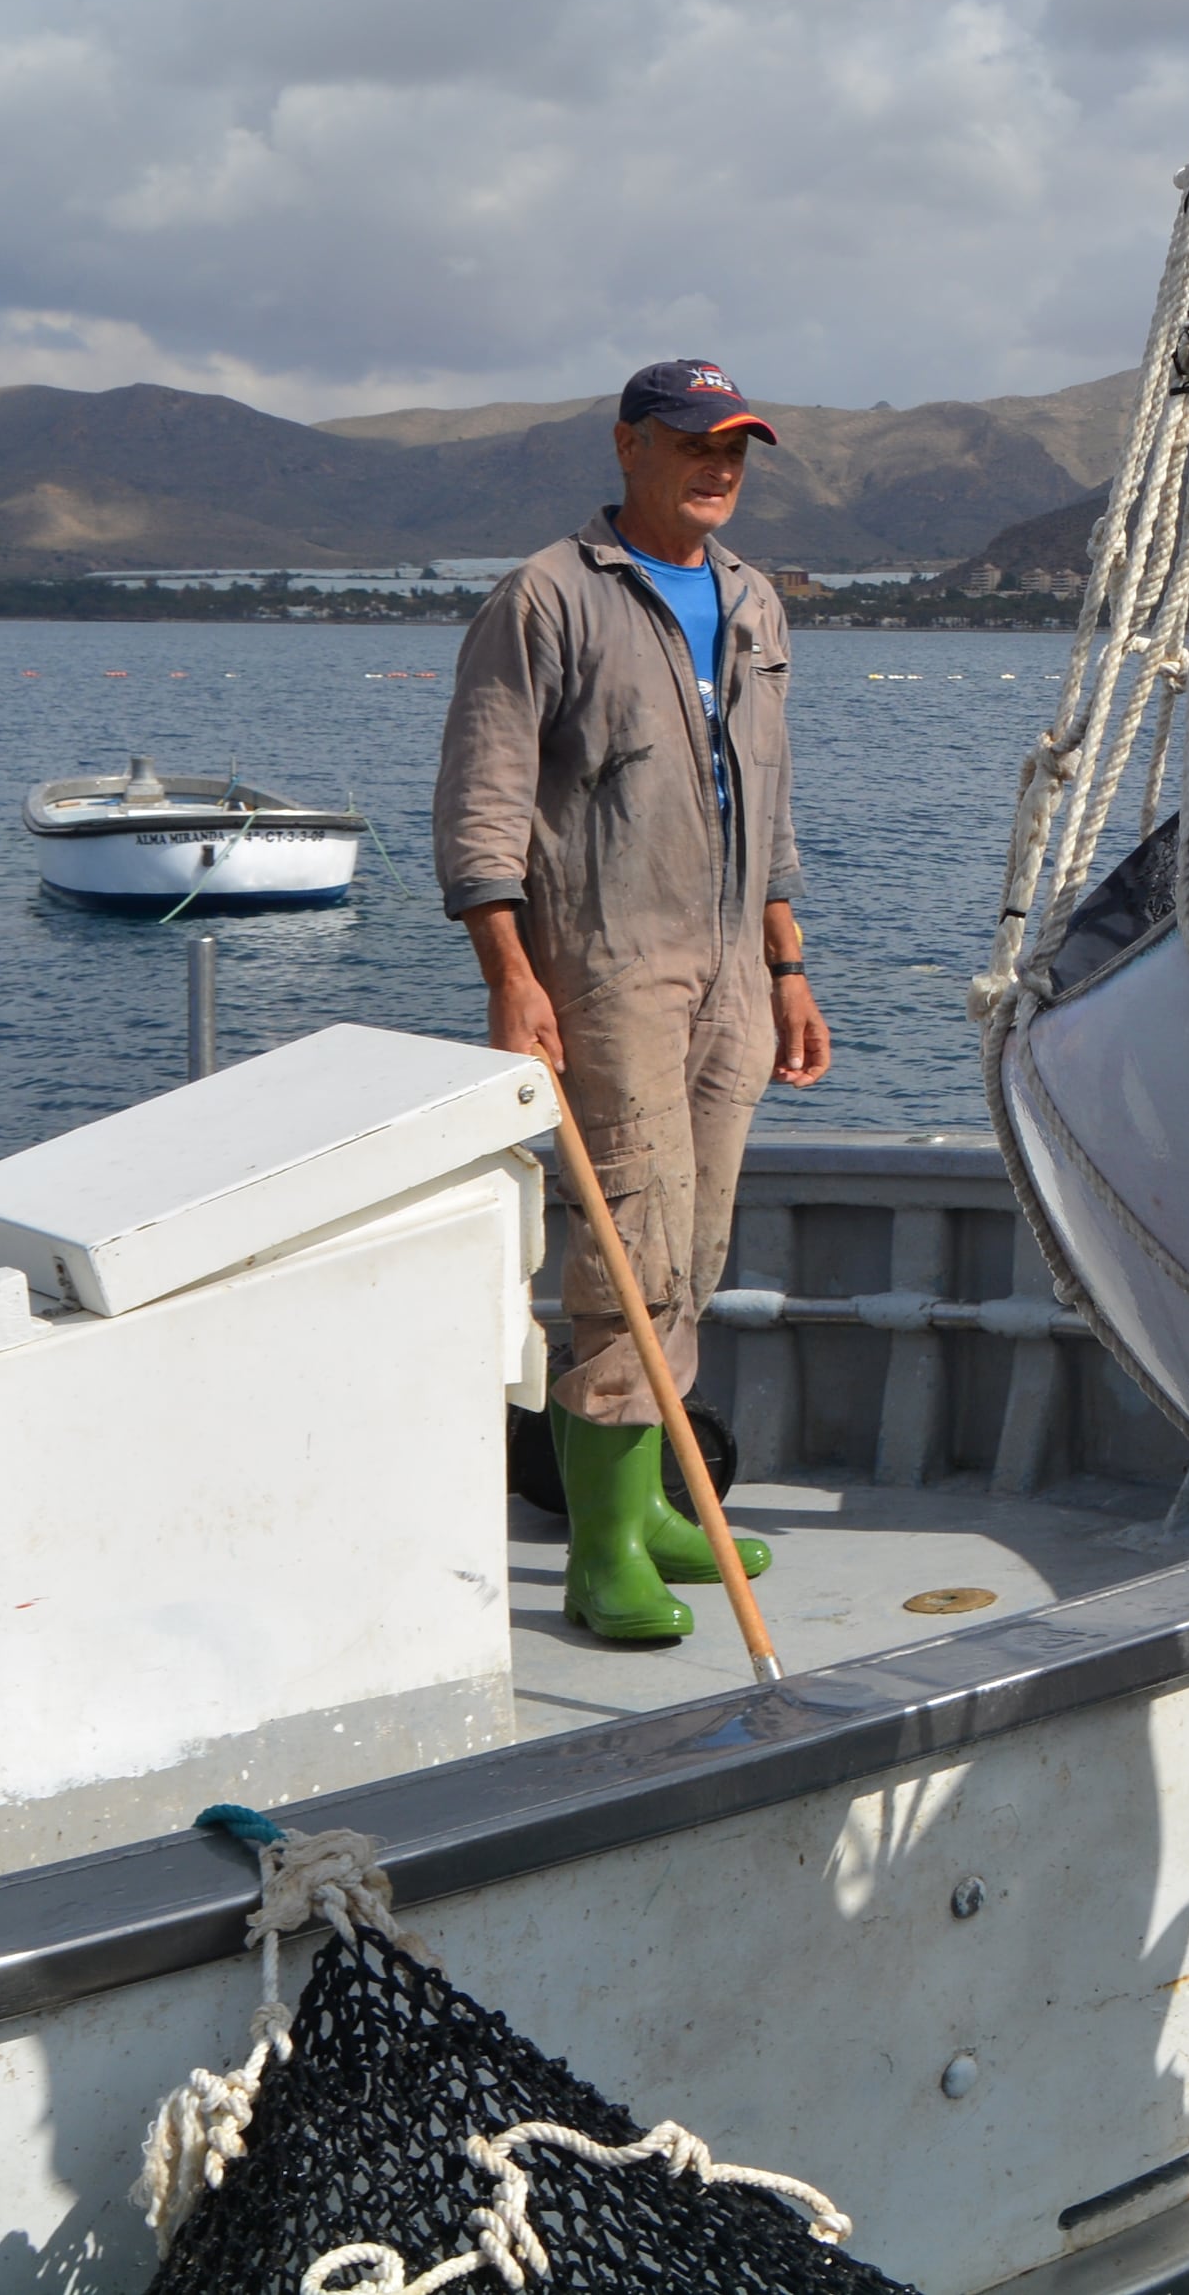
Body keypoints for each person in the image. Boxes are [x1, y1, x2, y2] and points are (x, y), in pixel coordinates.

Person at [433, 356, 833, 1643]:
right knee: (627, 1250)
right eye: (694, 444)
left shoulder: (755, 602)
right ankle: (603, 1546)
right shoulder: (544, 599)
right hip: (604, 969)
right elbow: (483, 802)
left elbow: (765, 805)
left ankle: (657, 1499)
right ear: (628, 447)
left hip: (733, 974)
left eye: (737, 448)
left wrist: (787, 964)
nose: (720, 467)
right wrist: (511, 976)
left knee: (697, 1241)